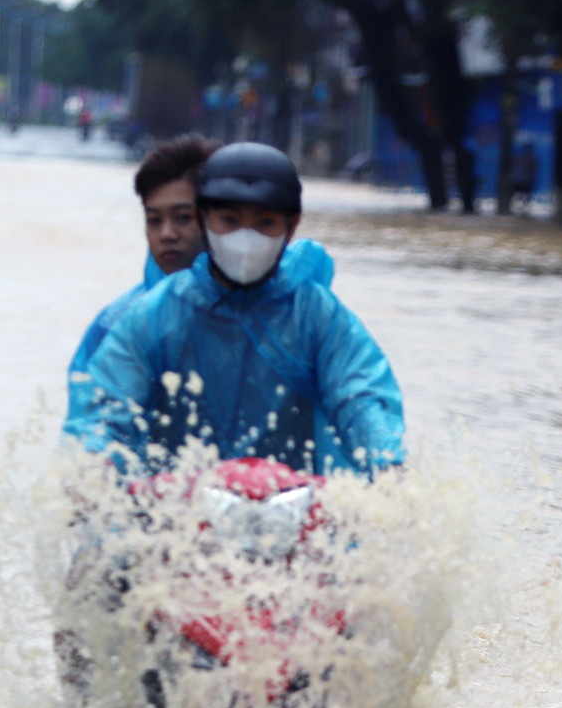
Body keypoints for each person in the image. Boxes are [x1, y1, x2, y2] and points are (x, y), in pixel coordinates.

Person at [71, 143, 403, 477]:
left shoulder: (317, 314)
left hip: (294, 507)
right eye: (230, 220)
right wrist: (96, 463)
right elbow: (108, 410)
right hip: (177, 508)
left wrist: (387, 463)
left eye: (265, 222)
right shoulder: (154, 315)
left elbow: (360, 395)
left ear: (292, 226)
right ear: (205, 220)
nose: (246, 239)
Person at [65, 137, 338, 419]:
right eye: (154, 220)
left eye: (183, 218)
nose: (167, 234)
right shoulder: (119, 324)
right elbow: (94, 429)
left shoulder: (305, 314)